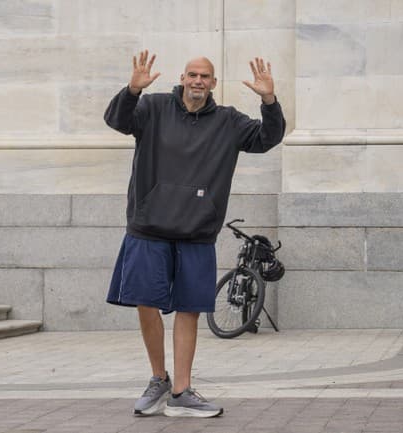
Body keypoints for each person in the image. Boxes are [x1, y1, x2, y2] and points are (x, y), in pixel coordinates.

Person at [104, 50, 286, 418]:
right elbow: (118, 121)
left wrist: (269, 100)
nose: (198, 81)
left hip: (197, 231)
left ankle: (182, 391)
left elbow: (267, 139)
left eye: (205, 76)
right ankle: (159, 379)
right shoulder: (152, 108)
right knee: (145, 302)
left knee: (190, 309)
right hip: (148, 226)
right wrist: (132, 90)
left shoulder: (228, 121)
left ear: (213, 83)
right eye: (192, 75)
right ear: (183, 78)